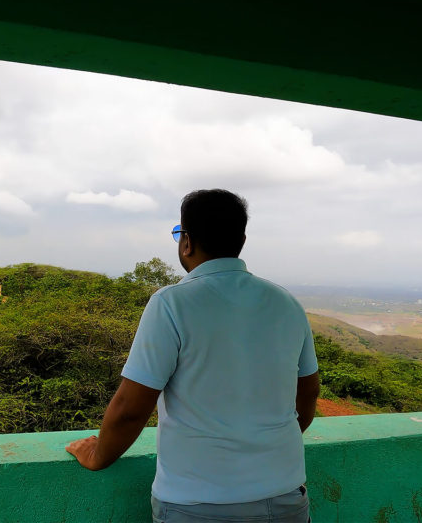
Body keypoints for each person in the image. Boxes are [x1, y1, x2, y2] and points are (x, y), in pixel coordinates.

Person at [66, 189, 320, 523]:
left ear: (186, 241)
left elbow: (131, 408)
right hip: (285, 497)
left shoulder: (172, 303)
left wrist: (98, 454)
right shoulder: (286, 303)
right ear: (241, 240)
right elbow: (309, 394)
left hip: (196, 505)